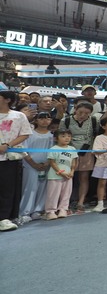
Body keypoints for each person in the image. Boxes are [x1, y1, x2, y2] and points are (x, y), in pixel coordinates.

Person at [0, 90, 32, 231]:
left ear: (7, 100)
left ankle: (4, 218)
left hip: (9, 157)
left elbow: (25, 133)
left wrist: (8, 145)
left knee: (8, 188)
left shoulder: (18, 116)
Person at [59, 102, 99, 214]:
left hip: (87, 152)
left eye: (86, 113)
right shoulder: (65, 121)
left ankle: (80, 202)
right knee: (67, 177)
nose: (83, 115)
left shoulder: (94, 120)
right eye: (80, 112)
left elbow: (95, 135)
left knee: (84, 177)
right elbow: (59, 136)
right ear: (75, 109)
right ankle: (65, 203)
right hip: (69, 152)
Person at [18, 111, 54, 223]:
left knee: (43, 187)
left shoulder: (52, 135)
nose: (45, 121)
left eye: (47, 118)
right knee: (30, 187)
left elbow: (53, 150)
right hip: (30, 165)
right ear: (36, 120)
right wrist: (33, 163)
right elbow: (24, 150)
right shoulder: (29, 134)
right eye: (41, 118)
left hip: (46, 165)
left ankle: (38, 210)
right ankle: (25, 212)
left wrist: (47, 163)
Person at [45, 129, 78, 220]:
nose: (66, 138)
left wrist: (72, 172)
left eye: (68, 136)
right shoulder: (53, 149)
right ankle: (51, 211)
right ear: (56, 138)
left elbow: (74, 162)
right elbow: (52, 162)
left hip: (68, 176)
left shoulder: (72, 149)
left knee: (66, 193)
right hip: (55, 175)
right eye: (63, 136)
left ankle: (63, 209)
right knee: (53, 194)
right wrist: (61, 172)